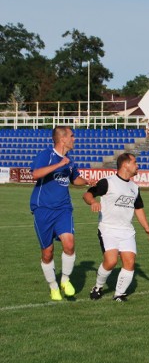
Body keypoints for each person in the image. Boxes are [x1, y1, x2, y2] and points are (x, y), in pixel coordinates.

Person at [30, 126, 93, 301]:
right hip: (43, 209)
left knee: (69, 244)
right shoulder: (46, 154)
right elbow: (35, 174)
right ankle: (53, 286)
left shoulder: (70, 161)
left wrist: (87, 181)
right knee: (47, 252)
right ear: (63, 139)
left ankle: (65, 280)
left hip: (63, 209)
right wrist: (58, 165)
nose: (75, 139)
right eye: (72, 136)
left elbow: (75, 179)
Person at [83, 153, 149, 302]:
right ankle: (98, 287)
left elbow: (139, 208)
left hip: (127, 231)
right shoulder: (107, 182)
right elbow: (88, 194)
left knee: (129, 262)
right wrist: (93, 202)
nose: (138, 165)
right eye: (135, 162)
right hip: (108, 228)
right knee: (111, 262)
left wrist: (147, 227)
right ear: (125, 165)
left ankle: (119, 294)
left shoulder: (135, 188)